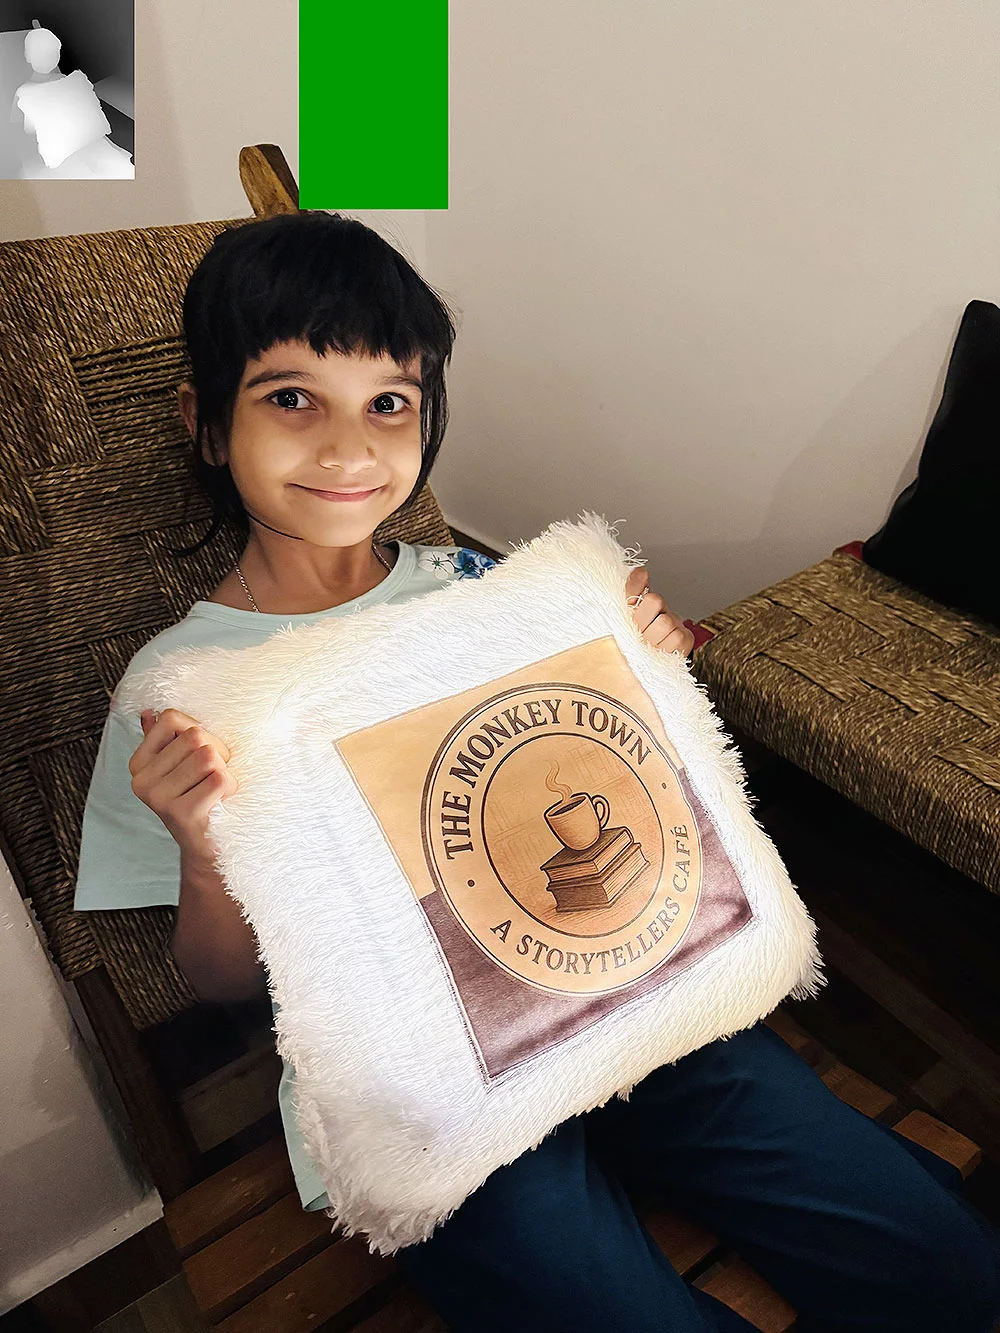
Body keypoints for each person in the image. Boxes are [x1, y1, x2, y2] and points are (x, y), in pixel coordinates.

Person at [73, 211, 1000, 1333]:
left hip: (634, 1003)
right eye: (291, 398)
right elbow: (222, 986)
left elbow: (612, 773)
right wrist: (202, 849)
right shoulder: (187, 688)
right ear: (207, 424)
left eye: (389, 403)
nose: (349, 449)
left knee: (943, 1258)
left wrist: (646, 668)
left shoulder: (480, 588)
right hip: (429, 1086)